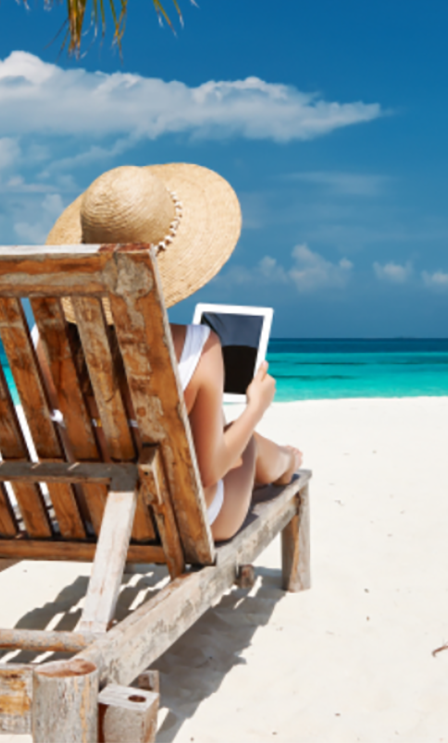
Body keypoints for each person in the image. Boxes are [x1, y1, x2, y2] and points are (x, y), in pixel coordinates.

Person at [45, 163, 303, 541]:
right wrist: (256, 406)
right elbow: (209, 469)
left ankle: (283, 459)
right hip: (183, 521)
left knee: (237, 437)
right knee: (243, 439)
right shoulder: (201, 347)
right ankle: (287, 463)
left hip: (89, 512)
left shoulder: (43, 340)